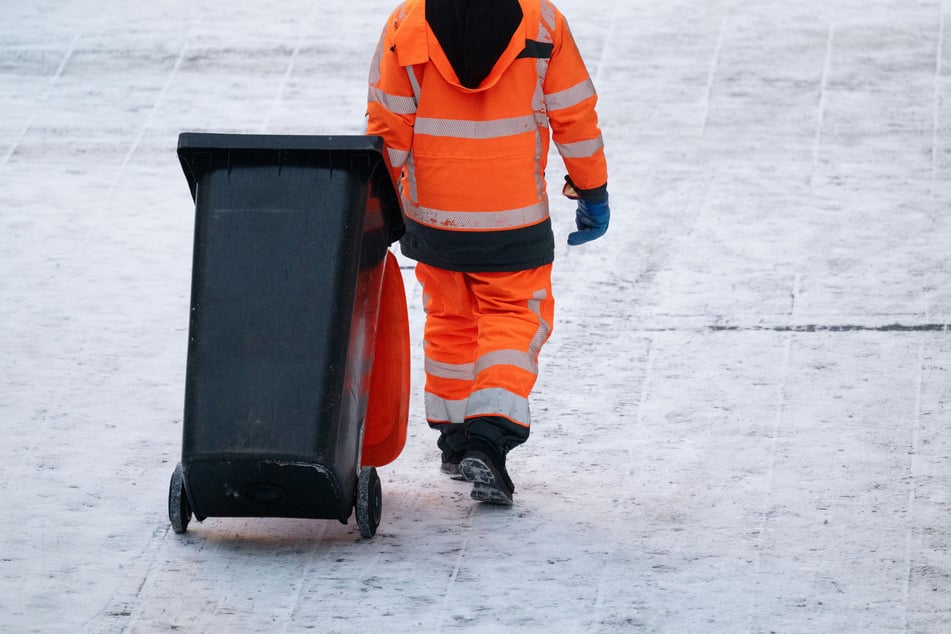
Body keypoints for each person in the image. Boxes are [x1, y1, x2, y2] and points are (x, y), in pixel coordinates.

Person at [366, 0, 609, 505]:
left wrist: (376, 207)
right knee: (515, 317)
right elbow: (574, 114)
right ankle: (489, 438)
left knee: (452, 319)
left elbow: (387, 125)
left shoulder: (406, 23)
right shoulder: (543, 22)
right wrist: (592, 189)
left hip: (434, 220)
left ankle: (456, 441)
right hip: (512, 218)